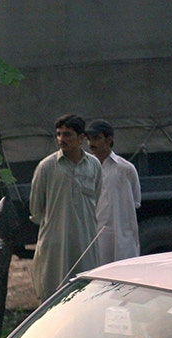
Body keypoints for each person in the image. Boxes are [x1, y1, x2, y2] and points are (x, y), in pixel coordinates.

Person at [29, 113, 102, 301]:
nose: (62, 139)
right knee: (53, 295)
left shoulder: (93, 165)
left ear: (81, 138)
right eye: (59, 134)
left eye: (67, 134)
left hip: (84, 240)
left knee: (86, 295)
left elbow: (97, 198)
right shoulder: (46, 167)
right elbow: (36, 209)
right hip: (55, 243)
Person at [85, 118, 141, 265]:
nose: (91, 144)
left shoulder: (125, 169)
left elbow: (135, 201)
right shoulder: (85, 169)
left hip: (120, 235)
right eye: (89, 139)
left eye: (96, 138)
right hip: (94, 236)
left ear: (109, 139)